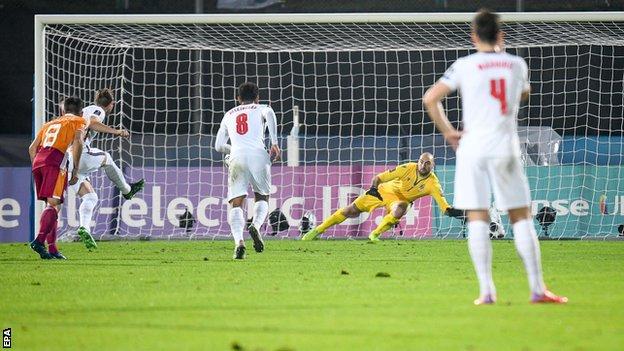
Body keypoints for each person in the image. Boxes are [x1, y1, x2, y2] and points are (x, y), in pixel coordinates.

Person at [423, 9, 567, 304]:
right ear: (501, 35)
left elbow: (430, 98)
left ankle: (487, 291)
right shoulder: (516, 64)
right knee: (520, 216)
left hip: (472, 147)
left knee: (477, 215)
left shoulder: (464, 65)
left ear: (474, 36)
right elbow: (523, 94)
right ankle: (537, 288)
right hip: (505, 145)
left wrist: (450, 132)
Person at [301, 152, 465, 242]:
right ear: (418, 161)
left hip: (400, 200)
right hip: (384, 191)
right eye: (421, 161)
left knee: (401, 207)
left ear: (432, 165)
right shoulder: (407, 167)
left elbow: (445, 209)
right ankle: (316, 231)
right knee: (351, 210)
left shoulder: (433, 184)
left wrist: (462, 214)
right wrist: (373, 189)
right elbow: (378, 178)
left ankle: (374, 234)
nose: (423, 165)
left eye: (427, 163)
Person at [62, 89, 145, 248]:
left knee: (90, 197)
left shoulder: (81, 111)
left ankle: (84, 228)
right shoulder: (97, 110)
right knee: (106, 157)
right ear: (111, 104)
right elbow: (93, 123)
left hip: (67, 162)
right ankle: (127, 190)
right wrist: (117, 132)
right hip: (80, 155)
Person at [215, 82, 280, 259]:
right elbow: (270, 113)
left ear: (238, 98)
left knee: (236, 202)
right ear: (257, 98)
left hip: (237, 158)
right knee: (262, 196)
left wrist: (234, 149)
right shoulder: (262, 108)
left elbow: (218, 146)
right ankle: (256, 226)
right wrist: (274, 143)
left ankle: (239, 243)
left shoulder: (229, 114)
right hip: (259, 155)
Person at [28, 97, 87, 259]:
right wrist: (75, 169)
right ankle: (39, 241)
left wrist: (38, 166)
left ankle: (52, 249)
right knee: (54, 204)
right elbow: (78, 142)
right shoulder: (79, 121)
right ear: (80, 112)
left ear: (63, 111)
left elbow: (32, 148)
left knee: (53, 206)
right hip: (55, 161)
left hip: (39, 160)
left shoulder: (49, 123)